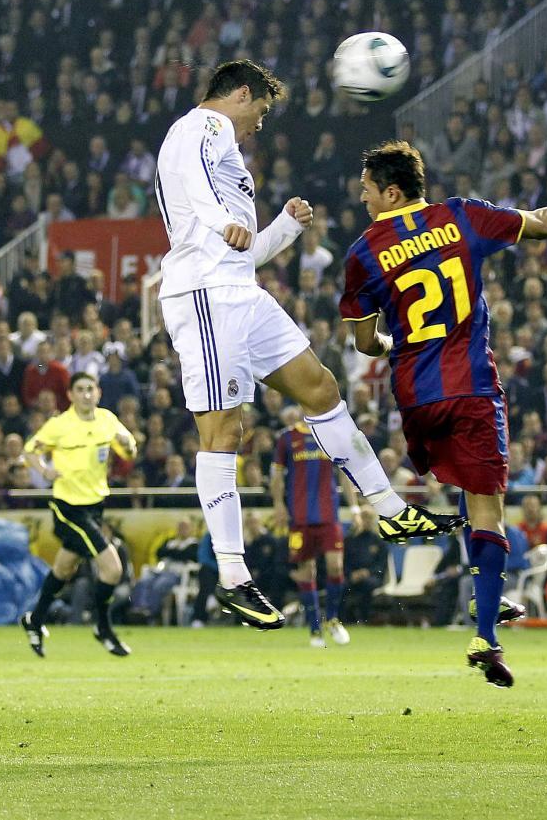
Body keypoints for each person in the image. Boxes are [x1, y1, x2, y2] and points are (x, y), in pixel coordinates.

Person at [155, 61, 462, 631]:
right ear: (240, 94)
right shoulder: (200, 128)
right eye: (260, 111)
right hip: (204, 296)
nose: (260, 124)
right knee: (223, 432)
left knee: (321, 388)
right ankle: (232, 576)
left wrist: (283, 227)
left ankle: (389, 509)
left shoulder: (224, 154)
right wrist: (222, 220)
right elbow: (206, 203)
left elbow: (242, 251)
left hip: (239, 289)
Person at [342, 139, 547, 687]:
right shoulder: (460, 216)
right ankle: (486, 633)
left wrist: (395, 345)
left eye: (367, 190)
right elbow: (544, 225)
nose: (362, 199)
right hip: (471, 387)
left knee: (462, 483)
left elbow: (365, 343)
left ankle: (487, 587)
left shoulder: (363, 253)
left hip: (415, 399)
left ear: (392, 193)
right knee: (487, 508)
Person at [20, 372, 138, 657]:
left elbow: (129, 452)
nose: (86, 394)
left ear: (98, 393)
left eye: (90, 389)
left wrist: (128, 444)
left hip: (95, 506)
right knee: (113, 569)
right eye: (80, 389)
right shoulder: (59, 425)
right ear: (70, 395)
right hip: (68, 508)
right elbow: (30, 451)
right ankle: (103, 627)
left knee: (64, 569)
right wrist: (44, 470)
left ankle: (35, 620)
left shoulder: (107, 420)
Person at [270, 409, 354, 647]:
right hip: (299, 519)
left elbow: (344, 473)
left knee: (335, 566)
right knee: (306, 572)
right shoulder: (286, 438)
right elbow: (277, 476)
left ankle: (333, 619)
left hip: (329, 516)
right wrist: (278, 504)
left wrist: (354, 506)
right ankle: (315, 628)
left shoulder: (330, 435)